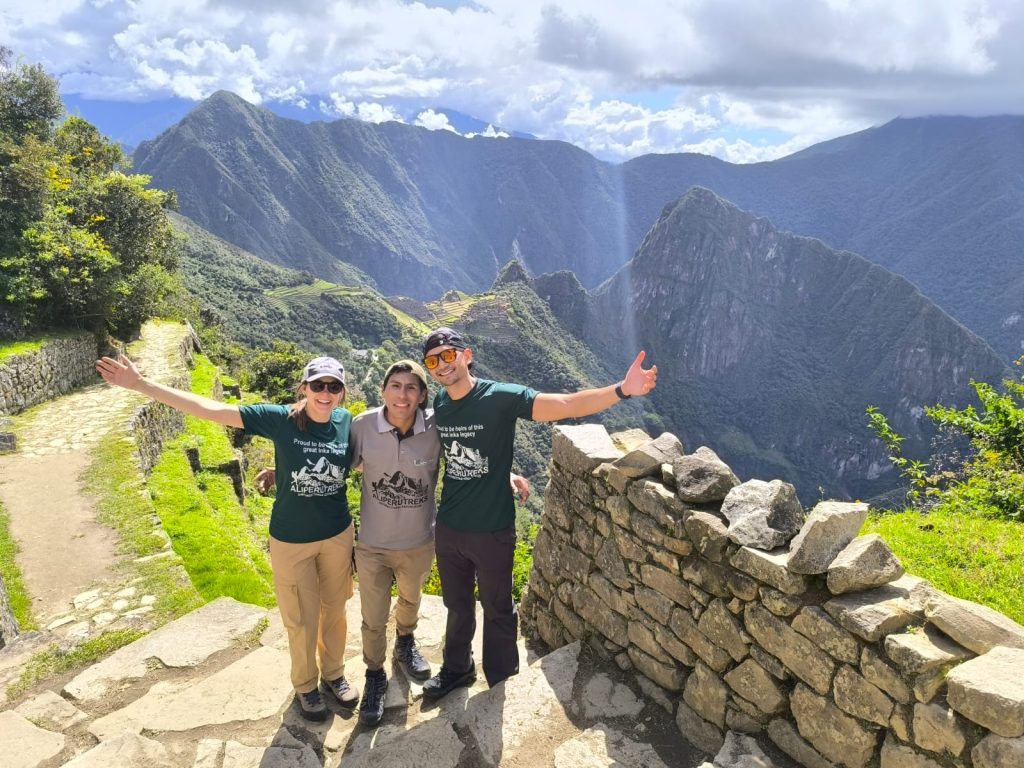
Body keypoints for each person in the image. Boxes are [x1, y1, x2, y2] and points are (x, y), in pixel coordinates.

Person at [257, 359, 529, 727]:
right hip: (372, 543)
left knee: (411, 600)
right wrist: (281, 470)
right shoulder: (362, 424)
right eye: (396, 386)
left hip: (418, 539)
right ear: (382, 390)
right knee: (371, 618)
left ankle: (405, 641)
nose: (403, 395)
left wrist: (506, 473)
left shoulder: (436, 426)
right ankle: (374, 676)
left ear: (421, 396)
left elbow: (466, 452)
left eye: (412, 387)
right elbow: (329, 454)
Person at [96, 353, 359, 723]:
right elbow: (212, 409)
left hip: (336, 534)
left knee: (335, 609)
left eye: (334, 387)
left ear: (342, 393)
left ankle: (334, 673)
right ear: (304, 388)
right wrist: (141, 385)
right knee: (300, 618)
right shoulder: (280, 419)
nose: (326, 393)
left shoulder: (346, 422)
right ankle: (305, 686)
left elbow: (356, 460)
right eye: (318, 385)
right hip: (292, 538)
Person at [419, 327, 657, 698]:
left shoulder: (499, 397)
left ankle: (500, 682)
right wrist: (507, 472)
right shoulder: (442, 403)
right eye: (433, 361)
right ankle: (456, 669)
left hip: (491, 528)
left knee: (497, 607)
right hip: (450, 526)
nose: (441, 366)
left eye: (448, 355)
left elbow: (565, 405)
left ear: (467, 355)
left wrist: (623, 389)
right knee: (457, 605)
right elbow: (459, 454)